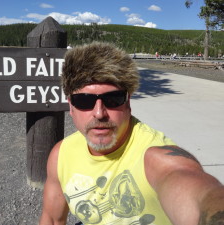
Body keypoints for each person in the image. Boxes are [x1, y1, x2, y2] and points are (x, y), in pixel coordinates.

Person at [39, 42, 224, 225]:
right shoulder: (61, 155)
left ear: (128, 103)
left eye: (113, 99)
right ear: (71, 106)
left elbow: (195, 190)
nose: (99, 113)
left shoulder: (154, 155)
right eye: (84, 101)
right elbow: (52, 219)